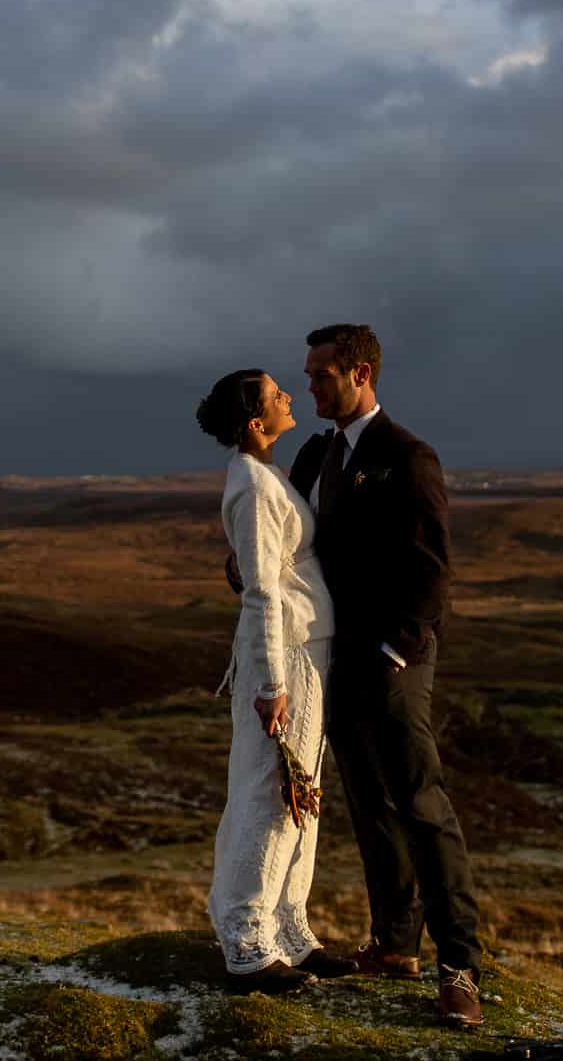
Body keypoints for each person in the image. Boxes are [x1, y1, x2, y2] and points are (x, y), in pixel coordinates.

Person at [293, 322, 484, 1030]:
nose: (309, 385)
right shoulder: (314, 454)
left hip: (393, 659)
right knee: (370, 803)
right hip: (332, 657)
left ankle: (459, 968)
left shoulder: (407, 456)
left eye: (321, 375)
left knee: (420, 805)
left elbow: (432, 569)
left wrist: (394, 652)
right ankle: (394, 943)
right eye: (308, 375)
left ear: (361, 373)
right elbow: (290, 539)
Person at [193, 368, 359, 995]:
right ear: (257, 423)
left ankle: (288, 925)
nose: (290, 396)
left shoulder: (265, 476)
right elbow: (261, 591)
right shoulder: (253, 488)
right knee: (270, 795)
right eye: (276, 394)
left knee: (301, 796)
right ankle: (244, 942)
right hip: (284, 658)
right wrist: (270, 684)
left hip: (304, 651)